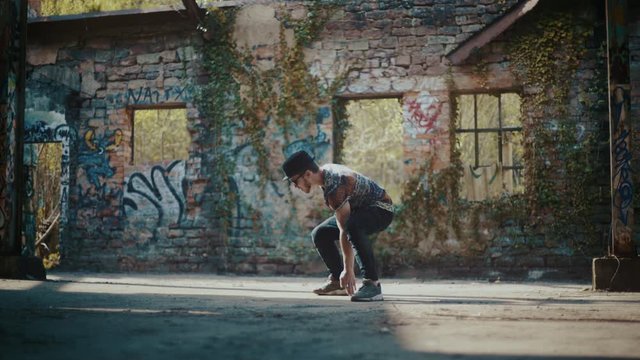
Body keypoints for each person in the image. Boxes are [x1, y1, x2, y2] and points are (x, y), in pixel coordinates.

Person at [282, 150, 394, 302]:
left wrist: (348, 270)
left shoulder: (334, 186)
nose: (295, 186)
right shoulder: (326, 173)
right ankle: (337, 281)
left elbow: (344, 229)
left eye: (295, 181)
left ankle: (372, 284)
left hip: (382, 209)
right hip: (358, 210)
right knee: (320, 233)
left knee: (352, 226)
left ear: (308, 174)